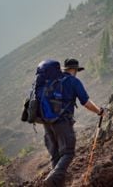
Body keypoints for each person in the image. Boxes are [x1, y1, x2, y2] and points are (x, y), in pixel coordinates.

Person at [44, 58, 106, 187]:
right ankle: (53, 178)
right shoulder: (73, 81)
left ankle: (56, 183)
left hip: (47, 123)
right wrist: (99, 111)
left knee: (56, 156)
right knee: (67, 153)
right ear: (75, 70)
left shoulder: (51, 81)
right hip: (62, 122)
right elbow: (86, 103)